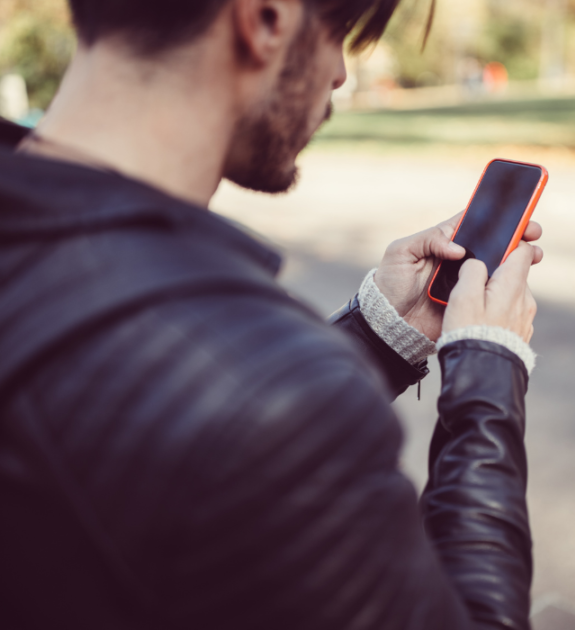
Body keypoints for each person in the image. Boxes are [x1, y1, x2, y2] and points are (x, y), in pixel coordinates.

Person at [0, 1, 544, 629]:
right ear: (264, 19)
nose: (339, 73)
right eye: (339, 33)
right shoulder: (271, 394)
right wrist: (488, 374)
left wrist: (377, 334)